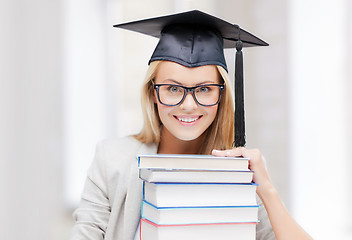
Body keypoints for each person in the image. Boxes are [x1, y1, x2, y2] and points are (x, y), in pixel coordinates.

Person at [70, 10, 312, 240]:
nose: (188, 105)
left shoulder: (240, 170)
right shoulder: (111, 159)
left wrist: (267, 190)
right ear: (153, 92)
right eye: (173, 88)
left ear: (222, 96)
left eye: (204, 89)